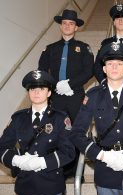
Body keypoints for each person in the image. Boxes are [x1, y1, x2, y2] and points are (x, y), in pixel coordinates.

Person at [69, 42, 123, 195]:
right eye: (110, 63)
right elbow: (76, 133)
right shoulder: (94, 95)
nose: (114, 67)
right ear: (104, 69)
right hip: (105, 166)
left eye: (119, 64)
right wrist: (101, 155)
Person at [0, 70, 75, 195]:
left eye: (41, 88)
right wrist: (16, 160)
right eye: (32, 88)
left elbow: (68, 152)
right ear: (28, 92)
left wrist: (42, 162)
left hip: (51, 185)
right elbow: (2, 147)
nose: (36, 92)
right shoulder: (18, 118)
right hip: (24, 184)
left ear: (49, 92)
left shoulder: (60, 118)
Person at [38, 9, 94, 178]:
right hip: (55, 97)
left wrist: (70, 84)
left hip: (75, 96)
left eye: (71, 23)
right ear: (60, 26)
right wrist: (55, 85)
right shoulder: (50, 48)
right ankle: (60, 169)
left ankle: (78, 172)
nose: (68, 26)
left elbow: (89, 70)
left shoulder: (84, 48)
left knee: (77, 132)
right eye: (65, 23)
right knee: (56, 133)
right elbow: (42, 70)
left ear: (76, 27)